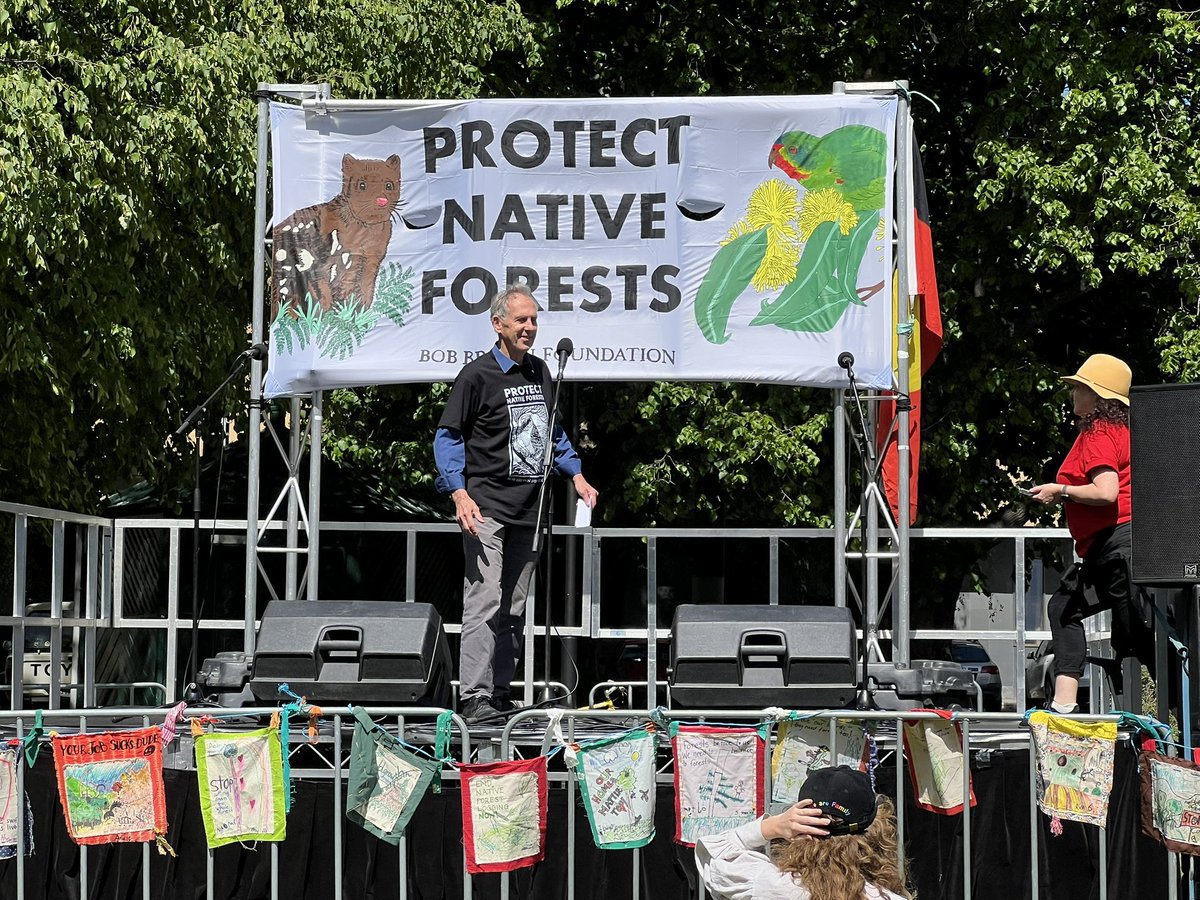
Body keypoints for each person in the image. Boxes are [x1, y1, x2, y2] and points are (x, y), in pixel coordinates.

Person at [433, 283, 598, 724]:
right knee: (484, 602)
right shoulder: (477, 375)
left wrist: (576, 475)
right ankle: (474, 696)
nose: (530, 327)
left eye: (534, 320)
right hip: (485, 508)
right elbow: (448, 437)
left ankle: (500, 693)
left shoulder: (541, 372)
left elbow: (553, 435)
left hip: (530, 509)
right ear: (498, 324)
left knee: (514, 608)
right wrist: (458, 492)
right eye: (521, 320)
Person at [1029, 353, 1152, 714]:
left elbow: (1106, 492)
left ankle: (1182, 729)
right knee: (1065, 607)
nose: (1072, 394)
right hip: (1107, 548)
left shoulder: (1098, 433)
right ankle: (1064, 703)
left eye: (1079, 388)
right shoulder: (1115, 431)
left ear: (1098, 397)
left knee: (1138, 640)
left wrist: (1060, 491)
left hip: (1117, 546)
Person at [695, 765, 913, 900]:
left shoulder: (766, 884)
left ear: (798, 831)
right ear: (876, 833)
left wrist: (772, 826)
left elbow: (711, 853)